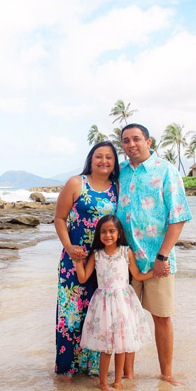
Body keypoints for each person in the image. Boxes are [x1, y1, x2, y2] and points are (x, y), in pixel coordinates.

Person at [117, 123, 192, 386]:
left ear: (148, 142)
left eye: (136, 139)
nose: (131, 144)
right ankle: (127, 374)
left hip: (157, 260)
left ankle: (166, 374)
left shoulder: (166, 171)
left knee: (161, 317)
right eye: (126, 140)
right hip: (124, 260)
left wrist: (162, 256)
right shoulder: (120, 173)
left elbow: (178, 217)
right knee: (125, 317)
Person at [53, 141, 120, 378]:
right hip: (74, 260)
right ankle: (67, 371)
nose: (103, 161)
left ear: (115, 163)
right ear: (91, 159)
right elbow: (59, 218)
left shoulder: (117, 188)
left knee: (99, 315)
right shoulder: (76, 183)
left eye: (109, 157)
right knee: (71, 315)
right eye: (98, 156)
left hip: (104, 264)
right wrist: (69, 247)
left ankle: (93, 370)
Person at [74, 215, 152, 391]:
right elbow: (83, 278)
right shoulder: (97, 255)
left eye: (111, 231)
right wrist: (78, 261)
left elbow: (137, 276)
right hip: (103, 305)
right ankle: (103, 383)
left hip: (123, 303)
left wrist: (155, 273)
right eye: (103, 232)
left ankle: (118, 382)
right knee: (106, 347)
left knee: (122, 345)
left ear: (119, 234)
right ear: (98, 234)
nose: (107, 235)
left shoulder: (126, 252)